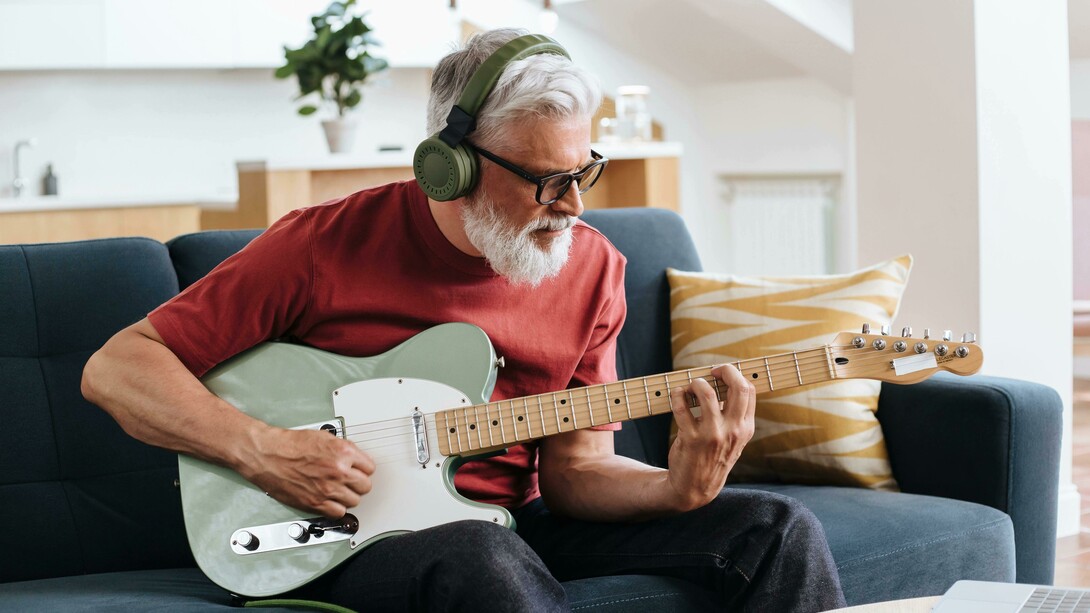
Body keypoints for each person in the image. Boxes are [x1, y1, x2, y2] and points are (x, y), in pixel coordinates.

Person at [81, 28, 846, 613]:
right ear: (453, 166)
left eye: (582, 173)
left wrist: (674, 488)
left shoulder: (593, 267)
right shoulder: (322, 243)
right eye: (549, 182)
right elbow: (118, 365)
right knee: (482, 556)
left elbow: (574, 473)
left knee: (779, 527)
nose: (574, 207)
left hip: (517, 520)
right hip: (353, 538)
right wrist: (263, 449)